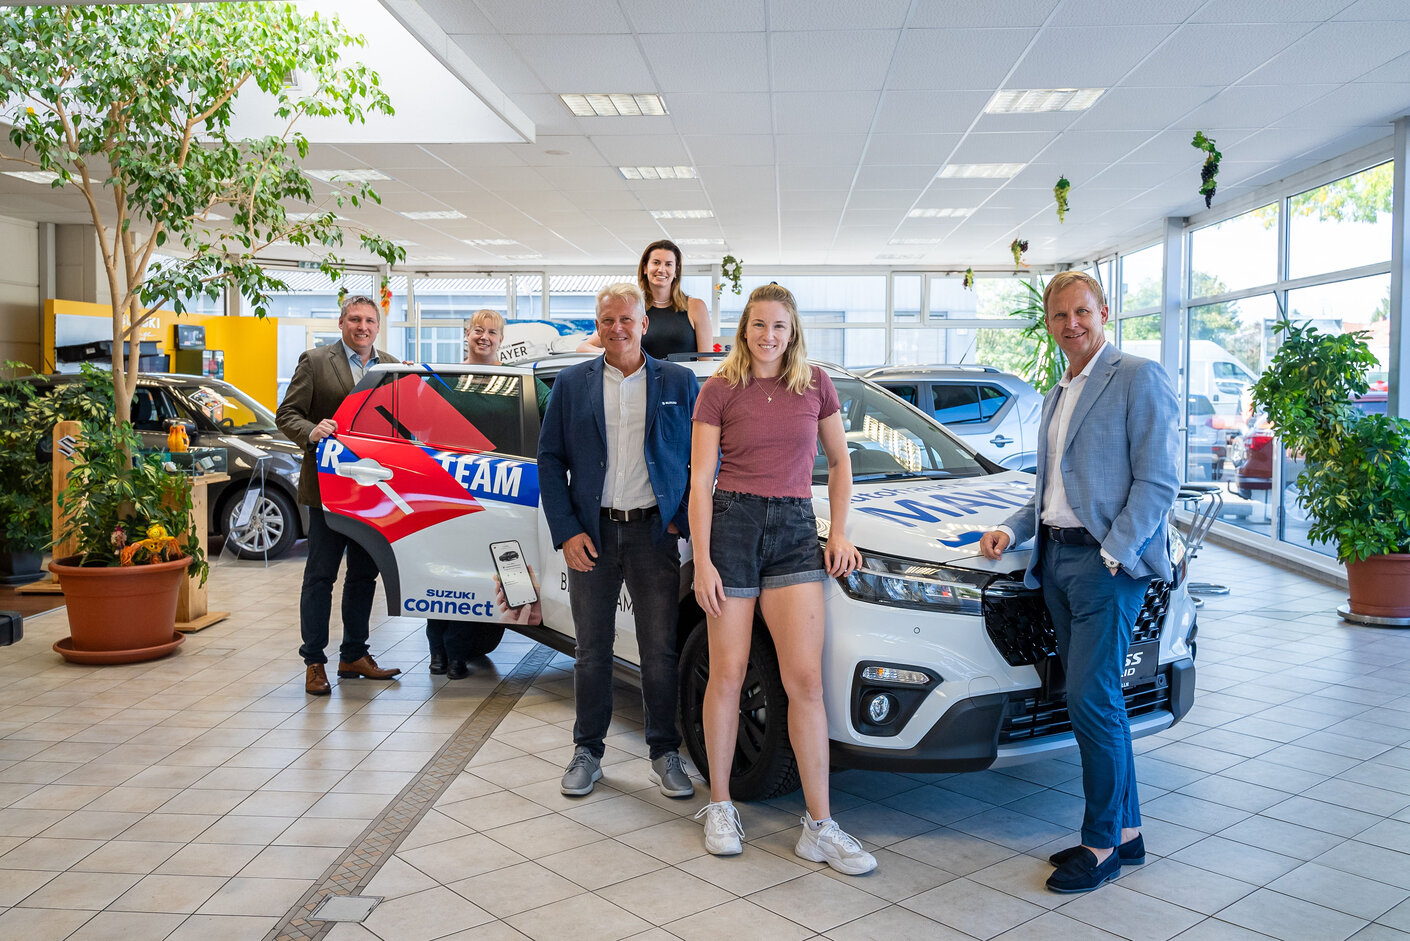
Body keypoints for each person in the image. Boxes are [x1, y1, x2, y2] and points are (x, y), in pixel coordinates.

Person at [978, 270, 1179, 894]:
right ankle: (1128, 833)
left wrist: (1115, 554)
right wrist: (1014, 531)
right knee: (1098, 701)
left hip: (1104, 566)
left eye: (1082, 312)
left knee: (1092, 703)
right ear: (1048, 323)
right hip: (1056, 562)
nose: (1072, 324)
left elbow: (1159, 482)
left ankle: (1099, 845)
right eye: (1060, 315)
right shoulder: (1059, 390)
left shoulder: (1137, 377)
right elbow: (1050, 491)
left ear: (1104, 312)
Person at [689, 283, 875, 876]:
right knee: (729, 673)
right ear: (744, 328)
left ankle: (819, 827)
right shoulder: (718, 390)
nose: (769, 335)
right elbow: (699, 482)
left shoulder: (815, 385)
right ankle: (719, 805)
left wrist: (838, 531)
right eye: (759, 324)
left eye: (780, 326)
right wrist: (703, 562)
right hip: (733, 527)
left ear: (793, 332)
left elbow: (841, 463)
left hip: (796, 526)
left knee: (805, 684)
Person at [538, 282, 699, 798]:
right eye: (607, 320)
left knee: (659, 649)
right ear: (597, 325)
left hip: (654, 533)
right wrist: (566, 531)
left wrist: (682, 519)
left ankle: (665, 751)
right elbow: (550, 460)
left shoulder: (678, 380)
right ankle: (588, 750)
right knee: (592, 651)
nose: (617, 329)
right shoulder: (571, 383)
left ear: (644, 324)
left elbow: (701, 458)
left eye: (626, 319)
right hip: (593, 535)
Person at [277, 294, 403, 695]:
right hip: (327, 491)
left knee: (365, 575)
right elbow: (287, 415)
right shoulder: (315, 361)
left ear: (377, 326)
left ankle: (354, 654)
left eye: (368, 320)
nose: (361, 327)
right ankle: (314, 661)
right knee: (320, 577)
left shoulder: (391, 366)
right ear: (341, 322)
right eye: (354, 319)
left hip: (370, 490)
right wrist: (310, 432)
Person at [425, 309, 552, 680]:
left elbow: (553, 407)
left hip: (505, 495)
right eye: (478, 330)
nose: (485, 336)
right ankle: (438, 650)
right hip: (452, 491)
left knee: (487, 574)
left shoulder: (517, 380)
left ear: (501, 339)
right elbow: (421, 432)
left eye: (492, 331)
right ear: (466, 334)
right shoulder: (442, 381)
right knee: (444, 572)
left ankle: (458, 651)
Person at [578, 240, 711, 358]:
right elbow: (583, 348)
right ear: (645, 268)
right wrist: (613, 353)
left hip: (683, 384)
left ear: (676, 271)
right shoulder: (632, 307)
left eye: (669, 264)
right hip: (642, 383)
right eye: (656, 263)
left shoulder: (696, 307)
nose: (661, 269)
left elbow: (706, 361)